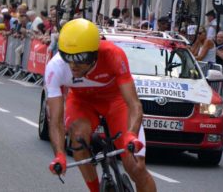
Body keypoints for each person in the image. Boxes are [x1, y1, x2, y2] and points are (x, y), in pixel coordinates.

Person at [46, 19, 156, 192]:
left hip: (115, 101)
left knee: (136, 167)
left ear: (93, 54)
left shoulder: (113, 55)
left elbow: (134, 104)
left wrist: (131, 135)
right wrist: (59, 154)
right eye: (67, 56)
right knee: (78, 136)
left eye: (80, 58)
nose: (73, 65)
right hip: (82, 102)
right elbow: (55, 120)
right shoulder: (56, 67)